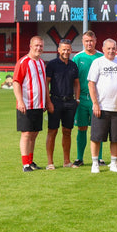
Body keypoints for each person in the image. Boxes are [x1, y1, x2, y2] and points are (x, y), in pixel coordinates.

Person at [88, 38, 117, 174]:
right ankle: (95, 163)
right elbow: (91, 84)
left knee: (116, 137)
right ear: (103, 49)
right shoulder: (97, 62)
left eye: (113, 48)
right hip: (101, 106)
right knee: (96, 137)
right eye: (109, 48)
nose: (111, 51)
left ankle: (113, 163)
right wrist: (95, 103)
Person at [45, 39, 80, 169]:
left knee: (67, 131)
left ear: (71, 50)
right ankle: (50, 163)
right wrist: (48, 101)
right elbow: (46, 83)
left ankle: (67, 161)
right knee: (52, 131)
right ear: (58, 50)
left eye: (68, 49)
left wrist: (77, 100)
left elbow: (77, 83)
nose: (66, 51)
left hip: (70, 102)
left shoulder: (73, 65)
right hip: (55, 101)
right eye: (63, 49)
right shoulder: (52, 65)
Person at [13, 36, 46, 172]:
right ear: (30, 46)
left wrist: (44, 102)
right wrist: (20, 101)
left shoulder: (41, 63)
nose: (39, 48)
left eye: (41, 46)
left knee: (34, 134)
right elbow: (16, 82)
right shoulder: (23, 62)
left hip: (38, 105)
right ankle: (25, 164)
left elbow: (43, 84)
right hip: (26, 104)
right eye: (36, 45)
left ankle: (31, 161)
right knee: (26, 134)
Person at [73, 31, 104, 167]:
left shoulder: (101, 57)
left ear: (96, 40)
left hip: (97, 99)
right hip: (82, 99)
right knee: (82, 128)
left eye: (91, 40)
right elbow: (74, 80)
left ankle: (99, 158)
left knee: (98, 129)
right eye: (86, 41)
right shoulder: (77, 57)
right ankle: (80, 158)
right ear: (82, 41)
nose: (89, 43)